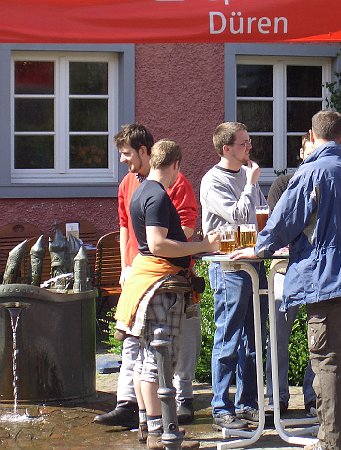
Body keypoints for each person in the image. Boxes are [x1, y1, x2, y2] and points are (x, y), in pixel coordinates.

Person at [231, 110, 341, 450]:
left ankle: (331, 440)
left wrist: (259, 248)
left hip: (326, 278)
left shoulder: (310, 173)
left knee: (326, 360)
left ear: (311, 136)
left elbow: (284, 222)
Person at [94, 124, 201, 434]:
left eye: (127, 154)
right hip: (149, 274)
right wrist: (125, 265)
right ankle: (137, 412)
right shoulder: (134, 185)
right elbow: (128, 228)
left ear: (145, 152)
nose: (123, 160)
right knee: (148, 351)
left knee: (164, 347)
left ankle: (174, 404)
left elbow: (184, 227)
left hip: (163, 274)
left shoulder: (174, 185)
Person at [114, 139, 220, 449]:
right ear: (175, 165)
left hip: (145, 280)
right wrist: (203, 245)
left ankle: (149, 427)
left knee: (144, 358)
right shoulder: (158, 196)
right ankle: (164, 435)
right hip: (161, 285)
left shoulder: (141, 190)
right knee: (158, 360)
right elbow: (157, 244)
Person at [199, 121, 269, 431]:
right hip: (229, 266)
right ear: (226, 148)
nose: (249, 147)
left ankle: (247, 403)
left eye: (249, 142)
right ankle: (220, 406)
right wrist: (251, 185)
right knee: (228, 337)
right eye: (244, 143)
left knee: (254, 337)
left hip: (253, 260)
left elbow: (261, 214)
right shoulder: (213, 181)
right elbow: (240, 216)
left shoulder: (246, 175)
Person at [265, 132, 316, 416]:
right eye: (309, 153)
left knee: (318, 335)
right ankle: (277, 397)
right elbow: (279, 225)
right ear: (301, 154)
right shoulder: (283, 184)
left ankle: (313, 396)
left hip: (317, 270)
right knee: (278, 336)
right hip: (284, 269)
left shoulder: (326, 183)